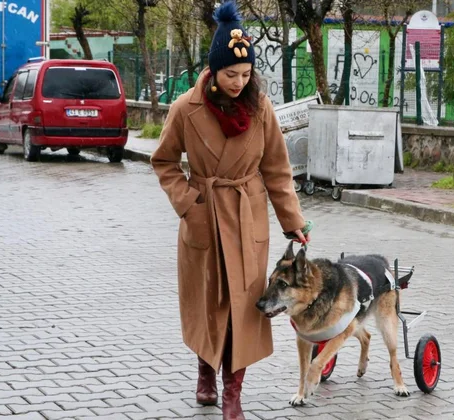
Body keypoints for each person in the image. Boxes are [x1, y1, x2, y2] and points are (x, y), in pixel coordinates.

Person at [150, 1, 310, 419]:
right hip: (204, 218)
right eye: (231, 74)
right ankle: (206, 372)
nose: (239, 82)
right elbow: (163, 161)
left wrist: (293, 222)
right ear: (214, 72)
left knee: (242, 306)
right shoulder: (186, 108)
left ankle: (233, 392)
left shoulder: (261, 109)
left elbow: (276, 168)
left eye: (246, 74)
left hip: (246, 217)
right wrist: (190, 204)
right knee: (209, 305)